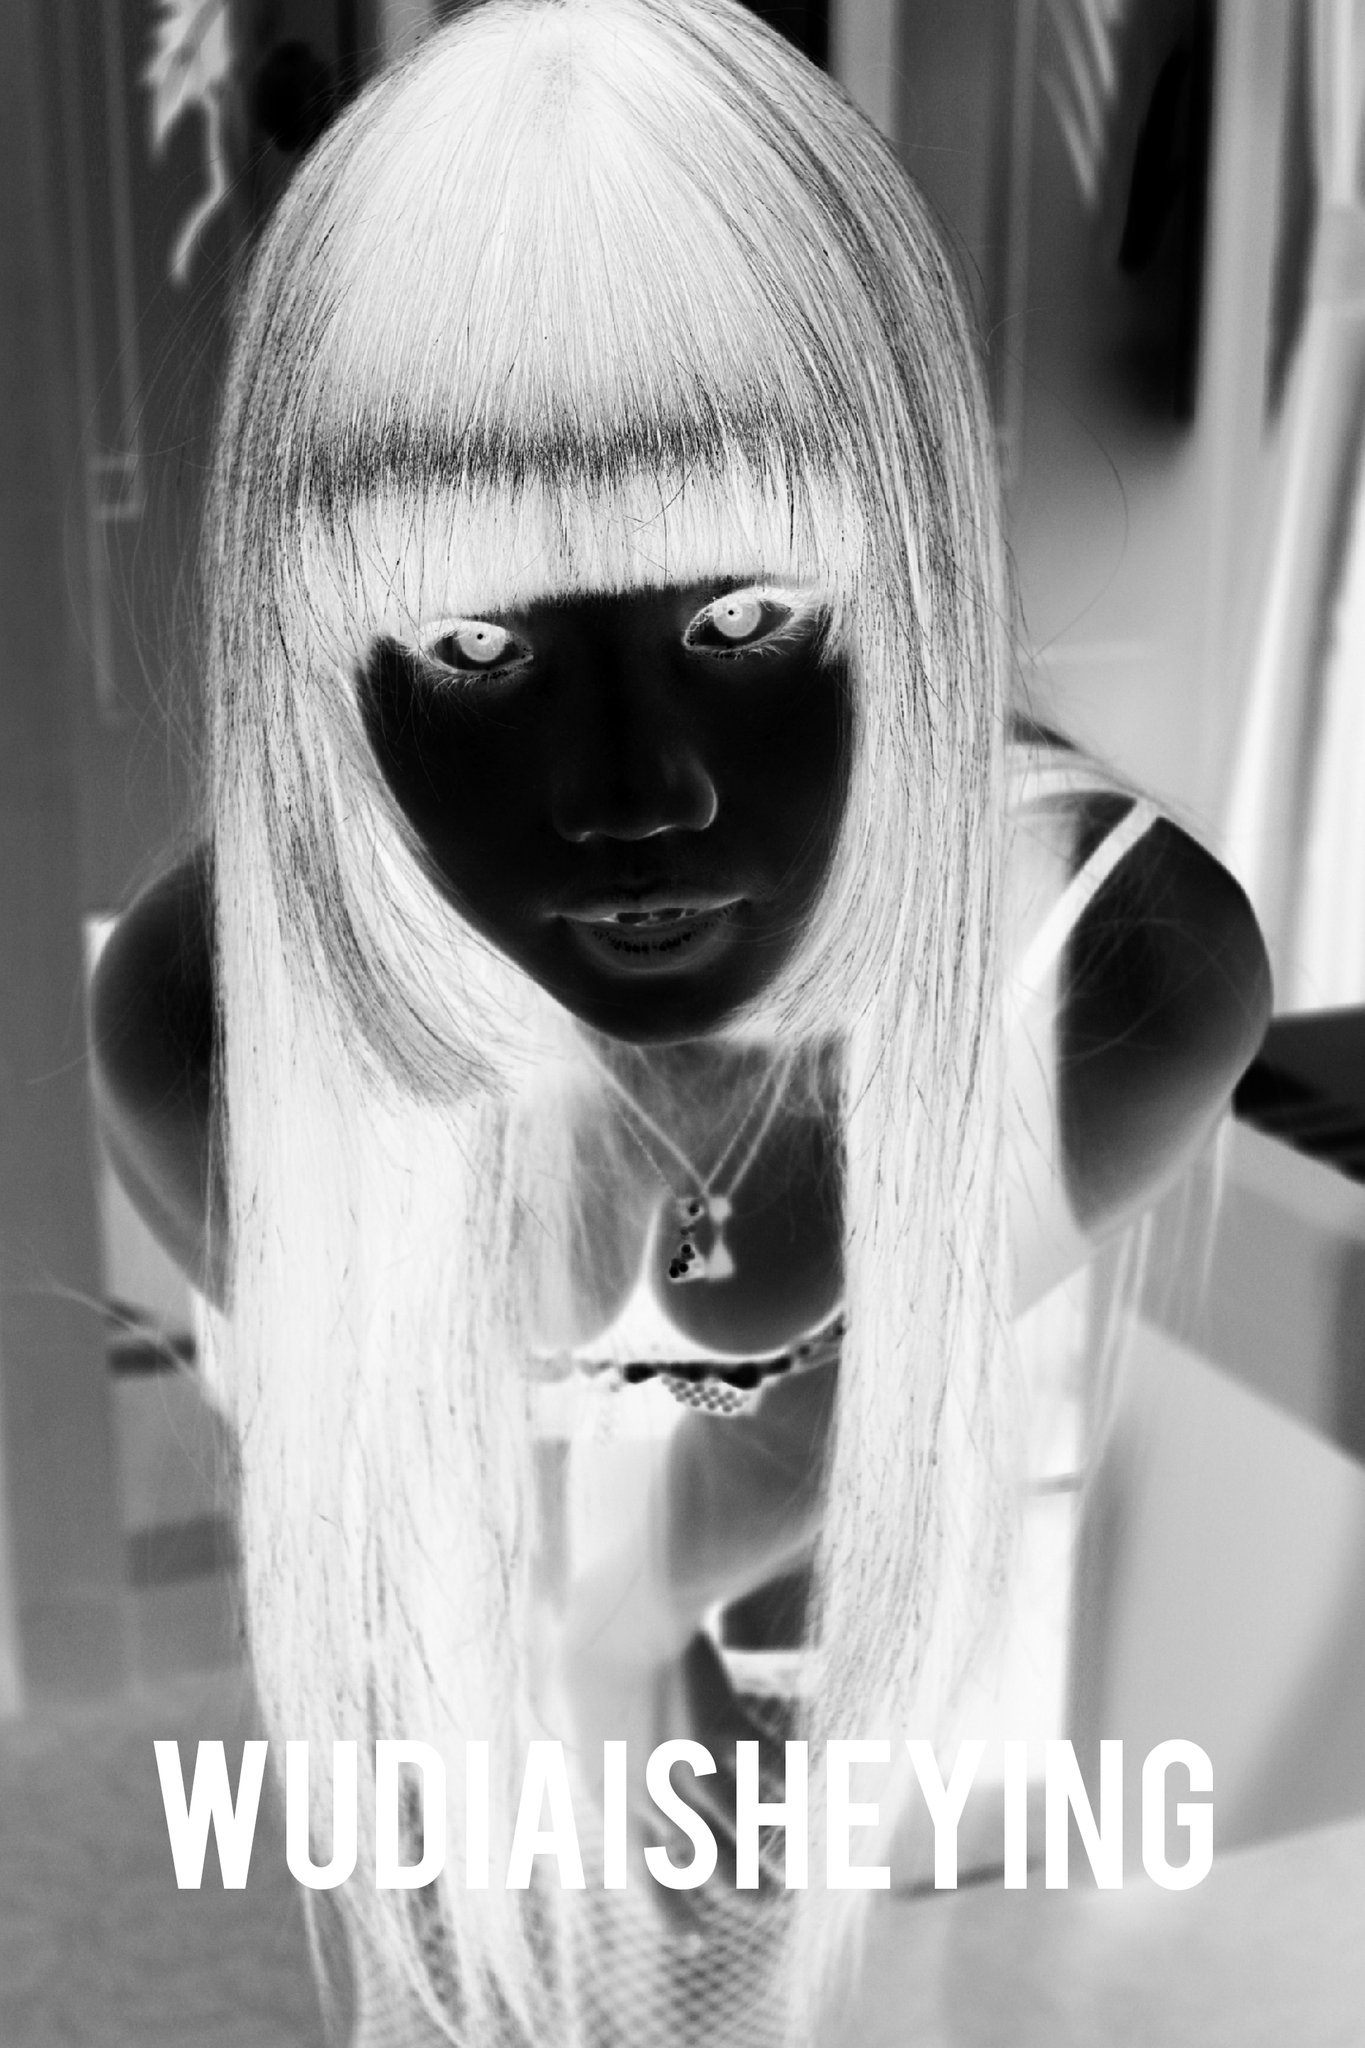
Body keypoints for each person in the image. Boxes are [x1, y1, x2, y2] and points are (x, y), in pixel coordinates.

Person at [90, 0, 1271, 2041]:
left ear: (910, 567)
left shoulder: (1116, 979)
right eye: (471, 644)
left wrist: (639, 1631)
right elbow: (386, 1509)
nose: (632, 796)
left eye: (740, 620)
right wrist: (552, 1678)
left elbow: (839, 1423)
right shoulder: (214, 1029)